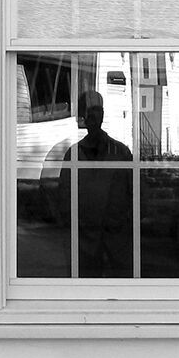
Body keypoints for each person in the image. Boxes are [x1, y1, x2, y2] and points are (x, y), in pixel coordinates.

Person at [59, 89, 133, 277]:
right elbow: (64, 198)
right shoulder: (74, 155)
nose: (94, 115)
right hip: (83, 241)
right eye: (90, 110)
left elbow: (137, 194)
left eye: (98, 109)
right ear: (83, 115)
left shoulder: (121, 153)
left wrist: (123, 223)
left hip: (117, 241)